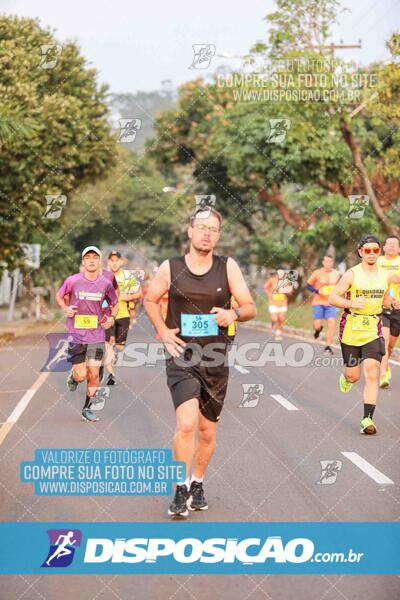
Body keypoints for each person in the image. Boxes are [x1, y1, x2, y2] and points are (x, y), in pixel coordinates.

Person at [144, 206, 257, 517]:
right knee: (186, 424)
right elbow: (150, 299)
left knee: (207, 431)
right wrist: (162, 330)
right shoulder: (171, 267)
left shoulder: (227, 267)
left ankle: (197, 482)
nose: (207, 233)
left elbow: (249, 306)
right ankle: (180, 489)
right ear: (190, 231)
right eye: (202, 227)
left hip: (216, 357)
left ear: (218, 236)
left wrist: (233, 313)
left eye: (214, 229)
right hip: (183, 356)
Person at [328, 235, 399, 435]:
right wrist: (350, 303)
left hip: (373, 328)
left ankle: (367, 419)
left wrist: (391, 303)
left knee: (372, 371)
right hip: (351, 328)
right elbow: (333, 297)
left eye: (375, 250)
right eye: (367, 250)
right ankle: (347, 378)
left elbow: (384, 300)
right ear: (360, 252)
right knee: (353, 375)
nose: (371, 254)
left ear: (379, 252)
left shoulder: (384, 275)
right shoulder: (352, 274)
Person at [56, 247, 118, 422]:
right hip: (76, 335)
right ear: (83, 262)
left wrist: (111, 318)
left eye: (95, 258)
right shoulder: (73, 280)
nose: (91, 260)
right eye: (87, 257)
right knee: (81, 375)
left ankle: (87, 409)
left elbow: (115, 303)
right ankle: (74, 377)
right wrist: (66, 308)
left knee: (94, 374)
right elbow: (59, 296)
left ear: (99, 262)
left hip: (97, 336)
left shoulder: (105, 284)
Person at [104, 251, 142, 385]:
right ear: (108, 262)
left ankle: (112, 354)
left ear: (121, 262)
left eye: (117, 260)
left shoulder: (127, 276)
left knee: (120, 347)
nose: (114, 263)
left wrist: (129, 297)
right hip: (107, 316)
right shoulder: (103, 276)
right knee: (109, 344)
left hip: (123, 314)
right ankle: (110, 374)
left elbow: (139, 293)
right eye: (111, 260)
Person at [377, 235, 400, 388]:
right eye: (388, 243)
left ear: (398, 248)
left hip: (398, 308)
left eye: (394, 244)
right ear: (383, 248)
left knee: (391, 344)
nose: (391, 246)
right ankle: (382, 375)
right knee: (384, 342)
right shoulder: (377, 261)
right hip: (382, 306)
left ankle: (386, 365)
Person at [307, 255, 341, 354]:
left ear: (332, 262)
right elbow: (308, 285)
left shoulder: (336, 274)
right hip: (318, 302)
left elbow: (341, 286)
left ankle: (328, 346)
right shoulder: (317, 273)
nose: (328, 263)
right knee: (317, 325)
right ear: (323, 262)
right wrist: (318, 291)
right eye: (326, 261)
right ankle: (318, 330)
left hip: (331, 303)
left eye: (330, 261)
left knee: (331, 323)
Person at [264, 269, 293, 340]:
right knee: (274, 318)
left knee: (281, 318)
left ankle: (278, 333)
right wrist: (269, 294)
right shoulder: (272, 280)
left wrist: (286, 290)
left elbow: (290, 292)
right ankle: (272, 323)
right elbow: (265, 287)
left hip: (283, 303)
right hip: (273, 303)